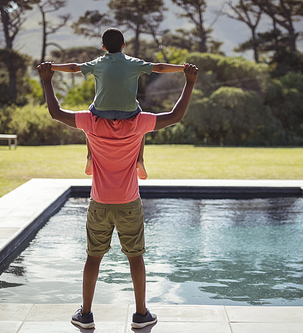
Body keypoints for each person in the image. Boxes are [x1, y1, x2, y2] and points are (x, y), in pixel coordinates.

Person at [37, 61, 198, 329]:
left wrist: (46, 79)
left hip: (99, 203)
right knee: (135, 257)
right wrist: (189, 83)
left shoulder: (90, 121)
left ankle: (86, 315)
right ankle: (140, 315)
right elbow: (175, 116)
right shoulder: (139, 122)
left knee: (93, 257)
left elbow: (56, 112)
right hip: (129, 203)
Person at [50, 28, 185, 180]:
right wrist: (183, 68)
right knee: (141, 121)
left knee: (88, 117)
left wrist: (52, 67)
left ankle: (90, 156)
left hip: (101, 111)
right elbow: (159, 67)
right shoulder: (133, 63)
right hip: (129, 113)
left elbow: (74, 67)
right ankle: (140, 160)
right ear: (124, 45)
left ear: (104, 48)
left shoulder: (98, 63)